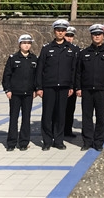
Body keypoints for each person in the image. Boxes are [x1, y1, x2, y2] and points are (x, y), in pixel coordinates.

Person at [35, 19, 77, 151]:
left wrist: (71, 86)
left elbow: (73, 70)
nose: (60, 32)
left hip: (64, 87)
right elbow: (40, 69)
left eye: (63, 30)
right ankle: (47, 141)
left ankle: (58, 140)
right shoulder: (47, 48)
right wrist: (39, 87)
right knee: (47, 115)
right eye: (58, 30)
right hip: (49, 86)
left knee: (61, 114)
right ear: (54, 31)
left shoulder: (71, 49)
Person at [75, 24, 104, 152]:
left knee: (101, 117)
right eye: (94, 34)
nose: (97, 37)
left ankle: (98, 142)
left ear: (103, 36)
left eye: (99, 34)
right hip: (87, 90)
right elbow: (78, 72)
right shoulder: (84, 53)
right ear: (91, 36)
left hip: (101, 90)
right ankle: (87, 141)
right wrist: (78, 88)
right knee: (87, 117)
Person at [2, 34, 38, 151]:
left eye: (29, 43)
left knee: (26, 118)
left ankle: (23, 142)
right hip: (15, 94)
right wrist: (7, 90)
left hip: (28, 94)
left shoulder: (34, 59)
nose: (27, 45)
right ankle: (11, 143)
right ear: (19, 44)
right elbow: (7, 75)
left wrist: (36, 89)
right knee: (13, 118)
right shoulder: (13, 58)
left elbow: (37, 76)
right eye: (24, 43)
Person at [63, 26, 80, 138]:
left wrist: (77, 86)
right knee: (58, 109)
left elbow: (78, 69)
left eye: (71, 36)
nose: (69, 38)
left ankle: (68, 129)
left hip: (72, 84)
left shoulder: (76, 50)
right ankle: (58, 130)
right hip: (60, 83)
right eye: (67, 35)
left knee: (70, 108)